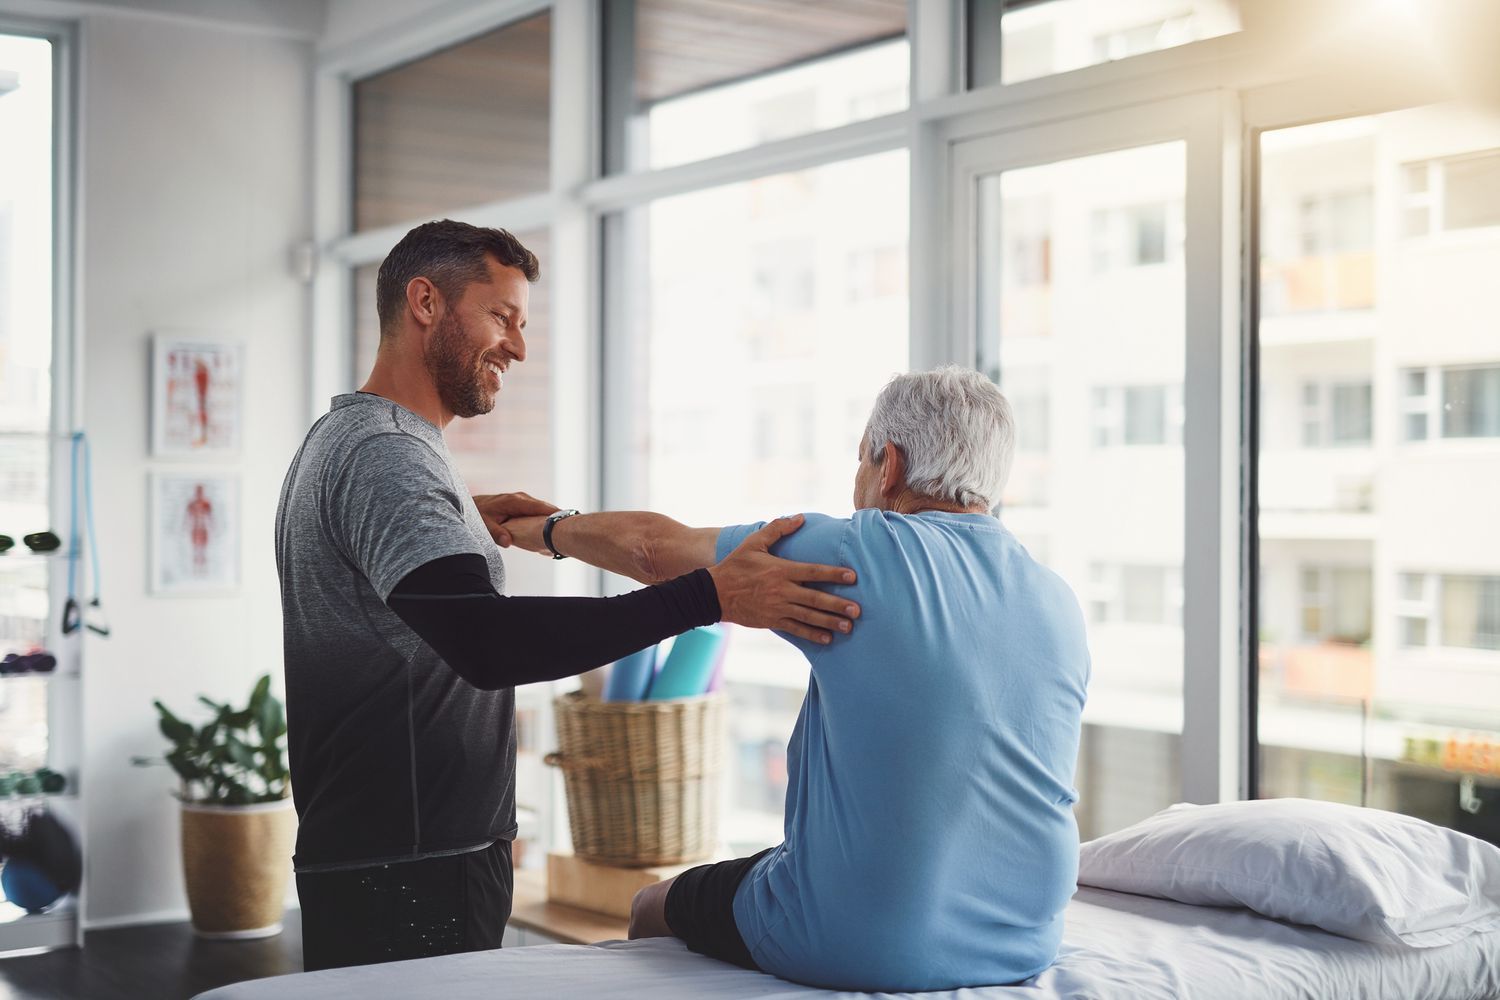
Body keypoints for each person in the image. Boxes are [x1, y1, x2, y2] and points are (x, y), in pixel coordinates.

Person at [274, 220, 862, 972]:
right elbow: (490, 646)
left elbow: (421, 611)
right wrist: (707, 596)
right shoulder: (387, 455)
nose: (518, 347)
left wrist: (505, 530)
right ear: (425, 302)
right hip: (414, 863)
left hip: (391, 851)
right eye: (502, 317)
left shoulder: (349, 440)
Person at [493, 366, 1090, 992]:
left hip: (862, 940)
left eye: (860, 460)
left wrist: (544, 528)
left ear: (889, 465)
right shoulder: (1057, 600)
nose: (856, 480)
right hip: (1027, 939)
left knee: (650, 904)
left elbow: (653, 551)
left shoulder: (855, 553)